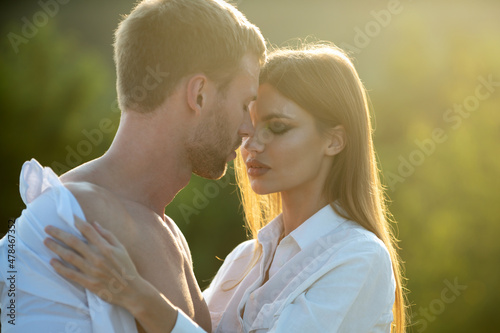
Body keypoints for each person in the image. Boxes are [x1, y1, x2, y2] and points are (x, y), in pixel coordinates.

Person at [45, 43, 407, 332]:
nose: (251, 142)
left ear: (335, 141)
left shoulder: (359, 258)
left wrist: (136, 293)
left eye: (278, 127)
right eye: (249, 124)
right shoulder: (242, 260)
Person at [0, 0, 266, 332]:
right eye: (244, 105)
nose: (248, 128)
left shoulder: (168, 231)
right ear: (199, 94)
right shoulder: (70, 218)